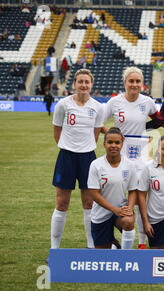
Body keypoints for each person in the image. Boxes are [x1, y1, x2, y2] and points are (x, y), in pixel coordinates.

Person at [103, 66, 159, 249]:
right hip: (118, 155)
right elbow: (99, 123)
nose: (134, 84)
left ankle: (142, 242)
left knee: (141, 198)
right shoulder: (114, 102)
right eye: (131, 81)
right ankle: (110, 237)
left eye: (137, 81)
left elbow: (158, 119)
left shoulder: (148, 102)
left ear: (142, 84)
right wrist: (113, 136)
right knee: (114, 195)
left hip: (141, 156)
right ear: (125, 82)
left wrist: (145, 133)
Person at [50, 69, 104, 249]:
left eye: (87, 82)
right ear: (74, 84)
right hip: (66, 156)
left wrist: (83, 148)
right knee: (62, 203)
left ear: (91, 84)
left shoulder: (97, 107)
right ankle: (55, 248)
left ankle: (91, 246)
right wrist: (69, 147)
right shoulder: (63, 105)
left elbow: (95, 135)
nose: (83, 85)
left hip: (88, 158)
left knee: (89, 202)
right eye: (80, 81)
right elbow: (57, 133)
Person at [87, 127, 138, 249]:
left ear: (122, 144)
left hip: (121, 210)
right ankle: (113, 244)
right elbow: (94, 193)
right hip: (100, 213)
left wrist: (129, 209)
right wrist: (114, 209)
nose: (113, 146)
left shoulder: (129, 165)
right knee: (102, 256)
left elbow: (132, 191)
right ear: (104, 144)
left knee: (128, 221)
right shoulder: (96, 165)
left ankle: (126, 255)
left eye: (117, 142)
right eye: (110, 142)